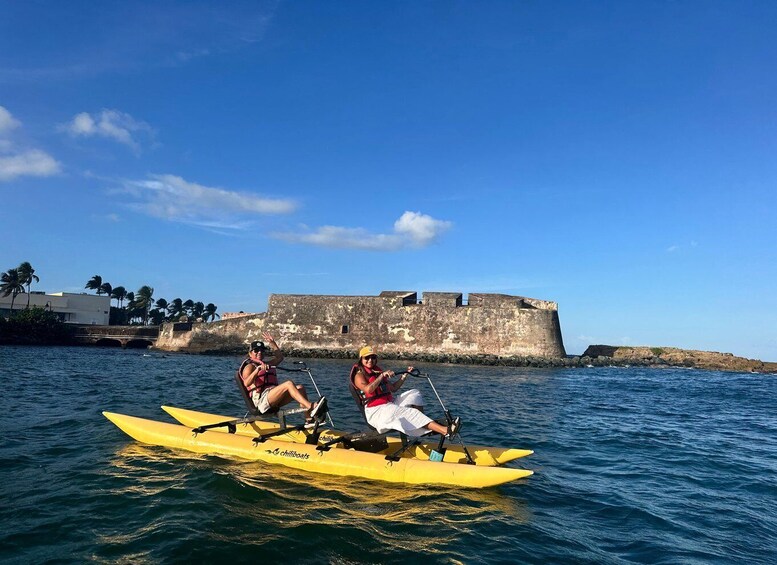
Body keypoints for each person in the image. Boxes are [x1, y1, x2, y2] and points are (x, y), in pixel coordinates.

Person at [350, 346, 461, 437]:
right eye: (367, 358)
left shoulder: (376, 371)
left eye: (373, 358)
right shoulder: (359, 375)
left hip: (388, 404)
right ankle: (445, 431)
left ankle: (421, 425)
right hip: (376, 412)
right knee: (411, 413)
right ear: (361, 359)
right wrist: (382, 376)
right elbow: (369, 389)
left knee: (415, 394)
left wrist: (405, 375)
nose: (370, 360)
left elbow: (393, 388)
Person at [238, 331, 327, 425]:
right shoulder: (250, 367)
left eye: (262, 350)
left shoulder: (266, 365)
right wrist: (257, 371)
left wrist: (272, 343)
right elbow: (246, 383)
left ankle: (309, 420)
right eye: (256, 350)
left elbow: (279, 358)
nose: (259, 352)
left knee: (300, 388)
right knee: (288, 384)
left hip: (273, 400)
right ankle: (310, 406)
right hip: (261, 402)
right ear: (250, 353)